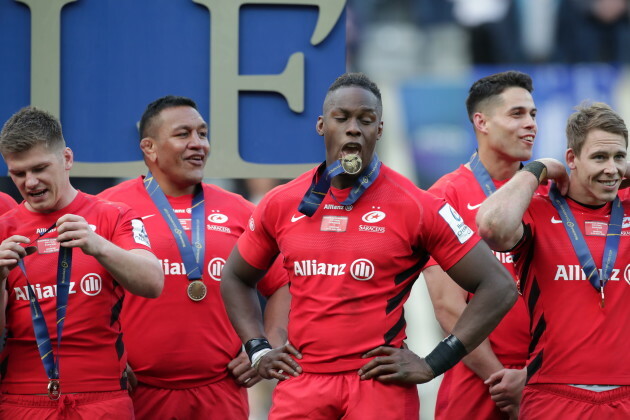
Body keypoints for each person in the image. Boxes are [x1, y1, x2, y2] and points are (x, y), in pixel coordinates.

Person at [220, 72, 518, 419]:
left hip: (378, 386)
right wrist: (257, 349)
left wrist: (434, 362)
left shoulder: (417, 205)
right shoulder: (282, 202)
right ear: (321, 125)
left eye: (366, 120)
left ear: (379, 130)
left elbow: (499, 286)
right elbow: (236, 277)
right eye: (341, 117)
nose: (353, 128)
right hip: (302, 383)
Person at [98, 95, 290, 420]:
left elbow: (284, 284)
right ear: (150, 148)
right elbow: (81, 290)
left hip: (221, 391)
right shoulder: (108, 209)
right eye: (183, 134)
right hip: (134, 392)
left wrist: (265, 346)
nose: (198, 143)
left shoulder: (242, 211)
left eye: (202, 133)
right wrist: (101, 357)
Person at [0, 107, 163, 418]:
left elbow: (153, 282)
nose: (30, 182)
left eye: (40, 168)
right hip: (21, 398)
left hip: (101, 398)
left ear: (67, 159)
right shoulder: (4, 229)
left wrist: (98, 245)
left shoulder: (113, 215)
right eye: (18, 174)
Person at [476, 102, 630, 419]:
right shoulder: (540, 208)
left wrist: (616, 166)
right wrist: (540, 168)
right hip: (553, 394)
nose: (612, 168)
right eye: (599, 157)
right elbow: (491, 227)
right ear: (571, 158)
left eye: (619, 157)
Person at [423, 70, 541, 419]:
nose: (530, 124)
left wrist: (531, 379)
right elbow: (448, 308)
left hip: (546, 381)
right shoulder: (445, 196)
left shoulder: (550, 193)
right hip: (478, 382)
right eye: (517, 114)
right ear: (482, 122)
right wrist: (502, 382)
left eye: (533, 114)